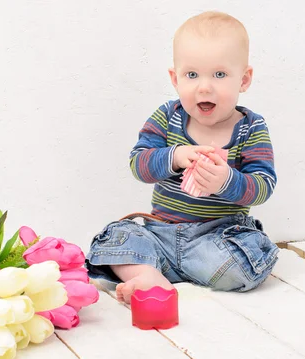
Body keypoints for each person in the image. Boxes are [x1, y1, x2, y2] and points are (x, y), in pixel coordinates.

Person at [86, 11, 279, 303]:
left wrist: (227, 180)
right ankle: (151, 275)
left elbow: (263, 185)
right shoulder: (167, 118)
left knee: (248, 258)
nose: (204, 86)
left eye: (219, 74)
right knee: (115, 238)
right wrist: (174, 156)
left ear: (244, 79)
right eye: (192, 75)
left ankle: (165, 270)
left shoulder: (251, 128)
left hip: (216, 238)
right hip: (160, 234)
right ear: (175, 79)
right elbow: (138, 164)